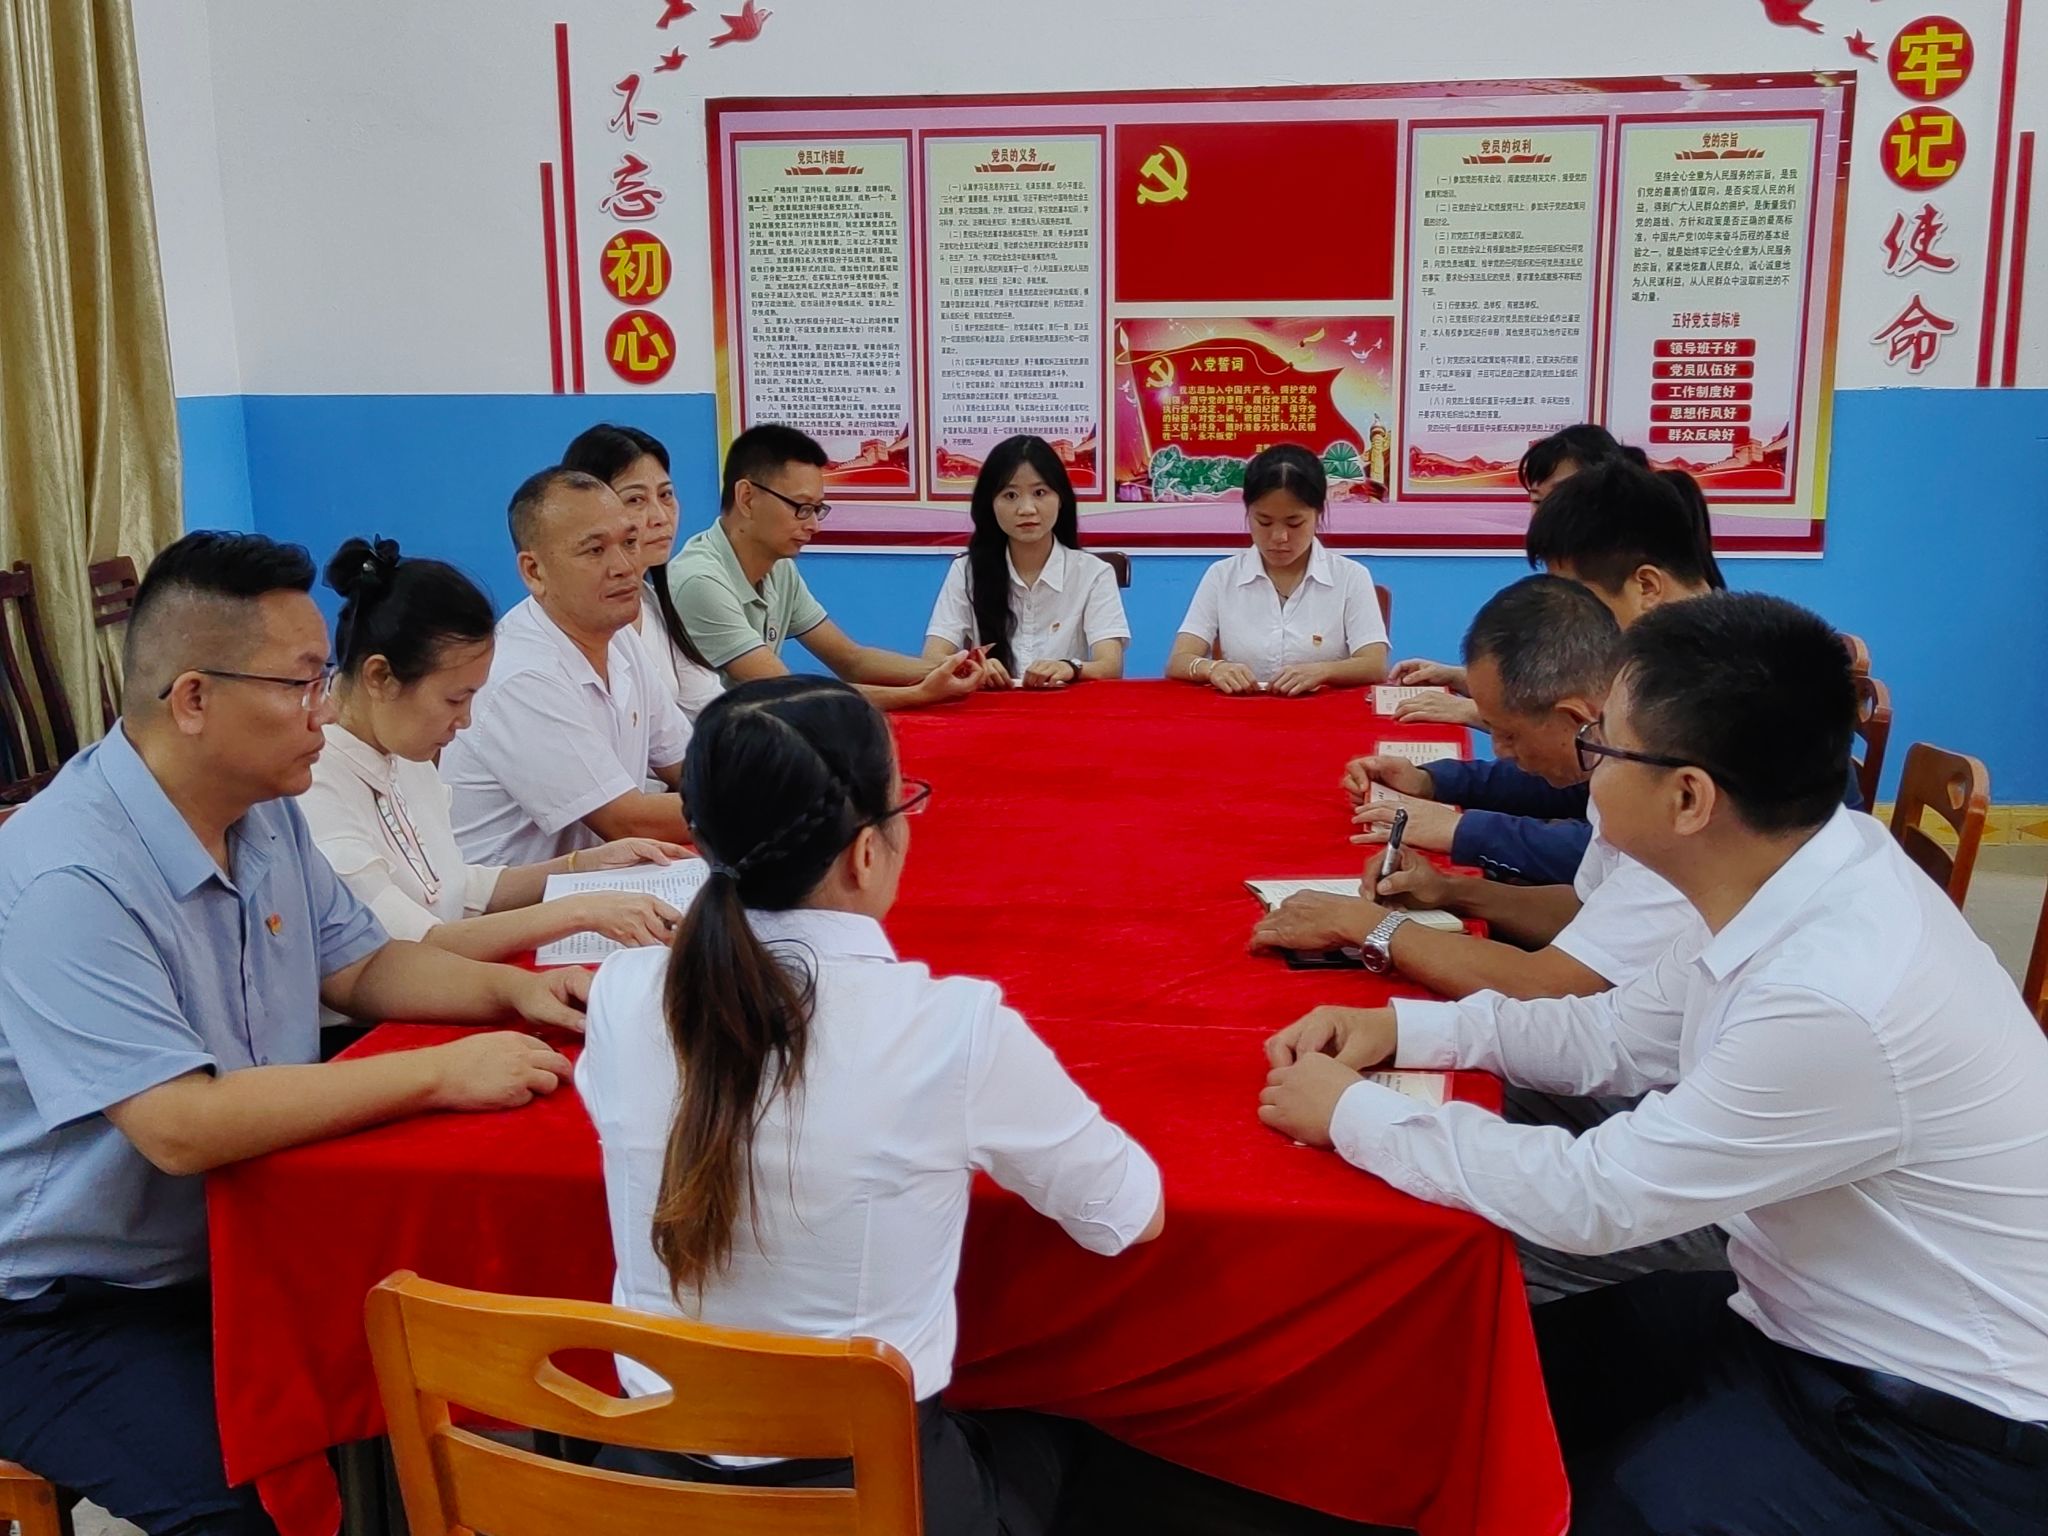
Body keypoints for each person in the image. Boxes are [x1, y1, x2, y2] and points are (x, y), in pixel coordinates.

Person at [1259, 592, 2048, 1533]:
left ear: (1688, 798)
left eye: (1605, 747)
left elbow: (1598, 1198)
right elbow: (1617, 1034)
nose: (1585, 764)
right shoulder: (1797, 870)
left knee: (1593, 1502)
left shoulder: (1833, 993)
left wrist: (1352, 1114)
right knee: (1491, 1377)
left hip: (1935, 1432)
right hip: (1798, 1315)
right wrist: (1408, 1032)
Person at [0, 533, 585, 1535]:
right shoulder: (69, 876)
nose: (326, 712)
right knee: (262, 1507)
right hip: (66, 1302)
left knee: (453, 1378)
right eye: (302, 684)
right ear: (194, 699)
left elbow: (358, 967)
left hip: (240, 1236)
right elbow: (179, 1124)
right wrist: (437, 1074)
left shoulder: (262, 810)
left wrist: (512, 993)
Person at [577, 677, 1164, 1534]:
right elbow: (1127, 1213)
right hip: (868, 1494)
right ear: (863, 852)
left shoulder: (625, 992)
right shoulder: (951, 1028)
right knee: (1077, 1429)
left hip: (642, 1487)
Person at [1253, 576, 1695, 1002]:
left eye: (1508, 734)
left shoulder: (1660, 801)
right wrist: (1450, 891)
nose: (1499, 751)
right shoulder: (1613, 759)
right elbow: (1589, 912)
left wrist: (1368, 926)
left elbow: (1551, 983)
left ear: (1575, 718)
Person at [301, 537, 690, 962]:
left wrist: (584, 865)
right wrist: (580, 911)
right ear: (380, 677)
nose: (465, 720)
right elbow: (407, 949)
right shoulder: (314, 782)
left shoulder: (400, 748)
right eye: (455, 699)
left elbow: (458, 889)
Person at [1354, 461, 1728, 884]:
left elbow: (1621, 854)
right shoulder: (1652, 660)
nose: (1567, 617)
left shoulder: (1717, 691)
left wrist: (1462, 829)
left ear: (1646, 586)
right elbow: (1573, 777)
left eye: (1578, 597)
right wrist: (1435, 782)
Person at [442, 467, 694, 866]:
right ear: (534, 571)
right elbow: (627, 821)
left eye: (630, 542)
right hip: (515, 900)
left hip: (596, 886)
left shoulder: (618, 637)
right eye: (595, 550)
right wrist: (771, 806)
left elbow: (688, 765)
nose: (624, 566)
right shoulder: (522, 673)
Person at [666, 424, 984, 711]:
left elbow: (851, 660)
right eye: (802, 508)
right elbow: (789, 694)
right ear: (747, 498)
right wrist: (919, 694)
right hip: (704, 750)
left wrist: (953, 668)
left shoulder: (779, 568)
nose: (814, 526)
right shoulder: (701, 581)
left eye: (818, 509)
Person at [1384, 423, 1647, 728]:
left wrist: (1472, 711)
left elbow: (1597, 727)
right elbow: (1552, 688)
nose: (1548, 513)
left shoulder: (1626, 586)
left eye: (1561, 496)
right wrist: (1459, 678)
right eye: (1537, 500)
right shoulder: (1568, 566)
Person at [1166, 445, 1389, 695]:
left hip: (1322, 713)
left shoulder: (1350, 577)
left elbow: (1375, 665)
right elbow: (1179, 660)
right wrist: (1211, 668)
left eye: (1294, 523)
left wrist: (1323, 671)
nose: (1279, 537)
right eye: (1264, 522)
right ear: (1248, 513)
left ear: (1318, 514)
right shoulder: (1222, 576)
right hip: (1241, 712)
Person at [922, 434, 1129, 688]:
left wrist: (1070, 667)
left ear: (1061, 499)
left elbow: (1110, 665)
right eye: (1010, 495)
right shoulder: (966, 571)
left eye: (1040, 492)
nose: (1027, 509)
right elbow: (932, 658)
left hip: (1064, 705)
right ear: (991, 504)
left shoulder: (1094, 573)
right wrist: (972, 666)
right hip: (990, 706)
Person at [561, 422, 725, 721]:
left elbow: (709, 707)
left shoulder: (651, 601)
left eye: (666, 495)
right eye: (635, 500)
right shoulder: (576, 622)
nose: (661, 517)